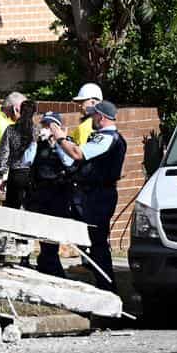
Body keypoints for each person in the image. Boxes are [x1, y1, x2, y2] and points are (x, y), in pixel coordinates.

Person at [49, 100, 125, 293]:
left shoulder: (107, 138)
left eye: (93, 115)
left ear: (101, 117)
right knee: (92, 241)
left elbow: (77, 154)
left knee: (98, 243)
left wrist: (60, 139)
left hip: (98, 196)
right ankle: (103, 285)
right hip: (94, 194)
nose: (91, 118)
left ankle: (107, 288)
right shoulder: (104, 137)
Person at [26, 112, 77, 278]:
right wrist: (34, 141)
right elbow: (27, 161)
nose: (47, 129)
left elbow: (69, 162)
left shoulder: (66, 144)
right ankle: (47, 262)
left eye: (51, 126)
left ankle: (50, 263)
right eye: (45, 125)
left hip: (58, 193)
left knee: (54, 233)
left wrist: (57, 143)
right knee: (42, 232)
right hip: (39, 194)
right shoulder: (37, 145)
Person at [0, 99, 38, 210]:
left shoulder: (11, 130)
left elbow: (4, 153)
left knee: (12, 209)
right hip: (32, 174)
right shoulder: (37, 130)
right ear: (34, 113)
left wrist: (0, 174)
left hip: (15, 174)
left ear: (20, 111)